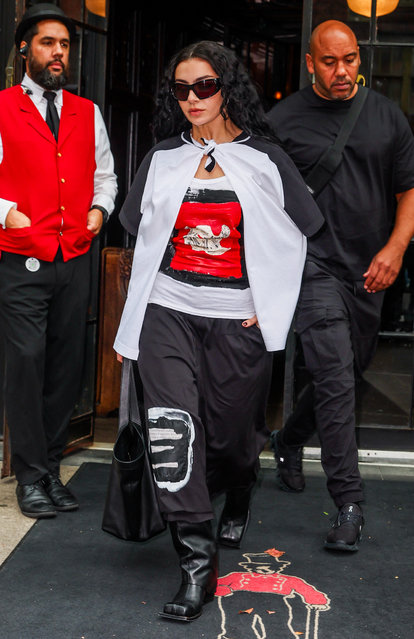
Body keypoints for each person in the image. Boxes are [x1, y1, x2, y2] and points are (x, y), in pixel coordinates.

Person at [113, 40, 323, 622]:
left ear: (228, 86)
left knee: (232, 438)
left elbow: (304, 231)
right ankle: (197, 567)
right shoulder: (162, 158)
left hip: (238, 319)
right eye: (181, 89)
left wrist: (271, 297)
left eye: (204, 85)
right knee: (173, 433)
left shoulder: (267, 159)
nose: (192, 99)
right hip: (168, 312)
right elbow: (136, 228)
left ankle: (242, 481)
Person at [267, 20, 414, 552]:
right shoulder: (281, 120)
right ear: (310, 64)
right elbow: (261, 201)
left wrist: (395, 249)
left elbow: (408, 190)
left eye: (350, 59)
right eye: (329, 62)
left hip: (372, 271)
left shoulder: (386, 116)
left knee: (346, 373)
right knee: (333, 374)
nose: (342, 71)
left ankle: (288, 439)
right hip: (314, 270)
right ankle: (349, 501)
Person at [0, 4, 117, 519]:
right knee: (26, 364)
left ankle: (49, 468)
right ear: (26, 48)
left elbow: (106, 176)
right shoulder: (2, 106)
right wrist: (8, 215)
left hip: (75, 257)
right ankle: (29, 475)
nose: (58, 53)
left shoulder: (86, 112)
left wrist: (99, 211)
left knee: (66, 367)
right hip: (21, 258)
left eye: (65, 45)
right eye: (48, 43)